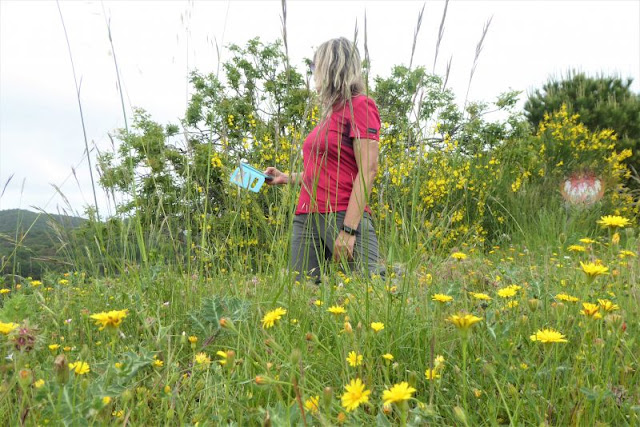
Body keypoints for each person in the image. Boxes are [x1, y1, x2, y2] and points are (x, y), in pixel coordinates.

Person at [265, 37, 383, 283]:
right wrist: (286, 178)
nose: (312, 76)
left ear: (331, 67)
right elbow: (324, 171)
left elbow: (368, 171)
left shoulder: (361, 106)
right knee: (302, 295)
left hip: (340, 214)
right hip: (306, 216)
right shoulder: (329, 115)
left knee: (370, 289)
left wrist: (349, 230)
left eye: (314, 68)